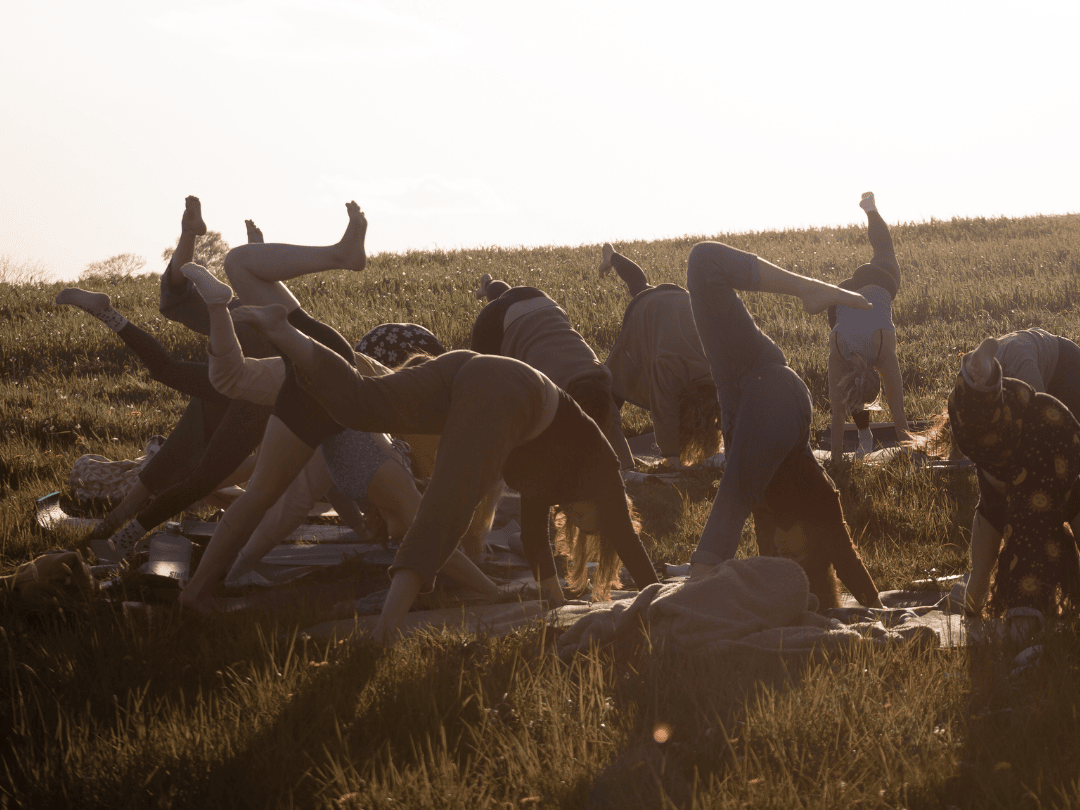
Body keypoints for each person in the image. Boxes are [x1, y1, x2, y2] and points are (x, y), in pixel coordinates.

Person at [202, 303, 659, 643]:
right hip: (503, 391)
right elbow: (628, 543)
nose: (578, 522)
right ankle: (384, 632)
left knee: (363, 404)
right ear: (604, 507)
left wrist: (555, 605)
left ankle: (283, 330)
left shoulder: (553, 483)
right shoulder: (604, 471)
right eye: (589, 522)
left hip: (468, 368)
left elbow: (536, 536)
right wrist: (656, 597)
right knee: (444, 511)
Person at [166, 201, 375, 608]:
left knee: (239, 265)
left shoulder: (384, 448)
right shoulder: (393, 458)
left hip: (322, 356)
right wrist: (368, 529)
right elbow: (317, 494)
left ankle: (334, 257)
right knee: (259, 492)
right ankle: (196, 592)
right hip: (324, 373)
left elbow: (328, 488)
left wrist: (364, 526)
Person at [54, 196, 276, 551]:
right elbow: (249, 471)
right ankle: (119, 532)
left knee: (179, 432)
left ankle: (112, 527)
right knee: (195, 471)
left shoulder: (253, 318)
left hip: (238, 378)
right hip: (251, 387)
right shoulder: (290, 358)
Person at [685, 241, 882, 609]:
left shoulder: (768, 533)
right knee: (737, 489)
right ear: (814, 540)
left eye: (781, 555)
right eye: (793, 552)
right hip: (776, 392)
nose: (779, 546)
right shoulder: (821, 500)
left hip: (735, 386)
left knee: (702, 264)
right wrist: (880, 613)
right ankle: (694, 591)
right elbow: (849, 564)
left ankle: (696, 587)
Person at [949, 337, 1080, 616]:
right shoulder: (992, 422)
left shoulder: (1046, 441)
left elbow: (1028, 559)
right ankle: (982, 382)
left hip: (1063, 381)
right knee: (978, 580)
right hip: (1008, 444)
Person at [470, 275, 626, 462]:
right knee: (484, 386)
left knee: (507, 304)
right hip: (508, 313)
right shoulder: (553, 398)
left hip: (542, 303)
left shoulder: (601, 379)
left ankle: (488, 284)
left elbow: (622, 459)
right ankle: (488, 284)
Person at [597, 245, 721, 468]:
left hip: (684, 303)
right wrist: (672, 458)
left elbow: (729, 409)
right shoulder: (670, 367)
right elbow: (664, 411)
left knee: (640, 285)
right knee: (616, 385)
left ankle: (612, 256)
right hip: (648, 311)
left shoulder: (716, 375)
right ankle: (598, 428)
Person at [827, 193, 913, 462]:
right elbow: (837, 415)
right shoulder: (841, 353)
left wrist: (837, 464)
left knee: (885, 251)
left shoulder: (882, 352)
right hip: (840, 298)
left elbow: (898, 415)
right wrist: (837, 461)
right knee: (849, 386)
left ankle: (870, 209)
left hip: (878, 281)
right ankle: (870, 210)